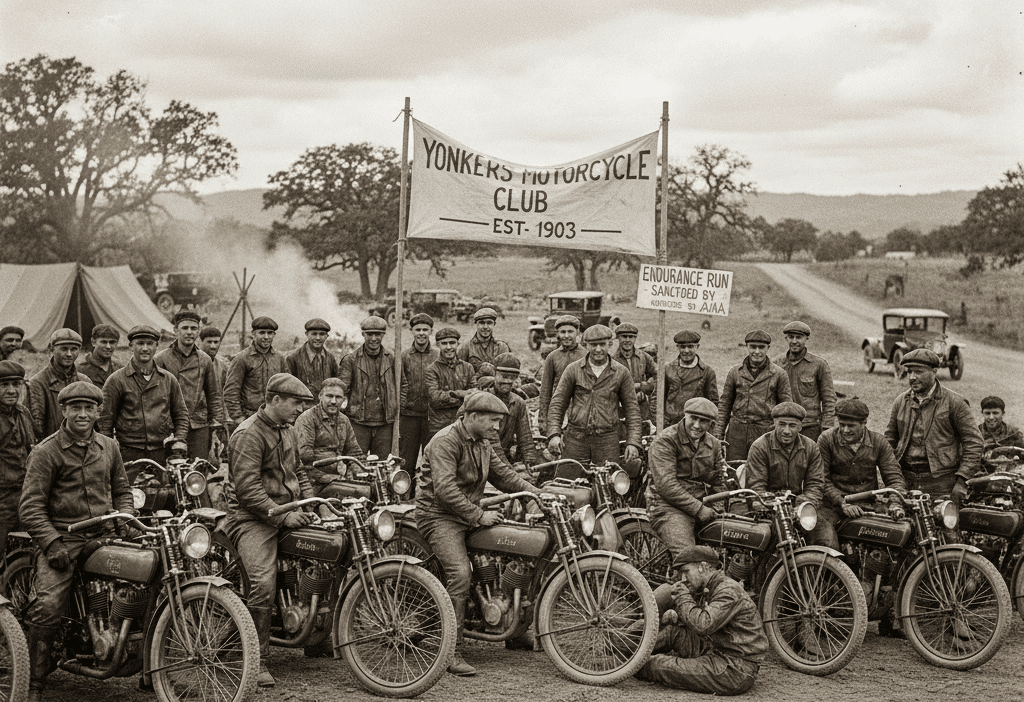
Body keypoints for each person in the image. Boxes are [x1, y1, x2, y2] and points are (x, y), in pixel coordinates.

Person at [19, 381, 133, 701]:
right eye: (75, 407)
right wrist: (51, 543)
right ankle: (34, 681)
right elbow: (30, 507)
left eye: (89, 408)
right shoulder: (46, 451)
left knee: (143, 579)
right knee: (47, 607)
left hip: (103, 533)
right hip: (63, 538)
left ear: (99, 412)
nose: (82, 414)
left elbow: (123, 491)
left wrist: (125, 518)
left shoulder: (109, 446)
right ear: (64, 410)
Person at [414, 391, 539, 676]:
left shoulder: (483, 442)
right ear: (471, 417)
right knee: (460, 574)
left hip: (467, 511)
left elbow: (504, 475)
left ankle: (513, 628)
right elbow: (445, 491)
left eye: (499, 422)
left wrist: (536, 493)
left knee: (513, 551)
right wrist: (479, 515)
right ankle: (451, 651)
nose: (497, 427)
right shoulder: (446, 441)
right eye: (493, 421)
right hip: (439, 516)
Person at [223, 373, 324, 686]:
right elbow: (248, 490)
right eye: (295, 403)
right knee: (262, 583)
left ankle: (316, 635)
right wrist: (282, 518)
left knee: (328, 553)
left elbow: (299, 473)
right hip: (251, 518)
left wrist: (312, 504)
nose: (299, 410)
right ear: (275, 399)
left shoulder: (287, 428)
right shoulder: (248, 434)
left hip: (285, 510)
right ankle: (254, 657)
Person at [638, 545, 767, 695]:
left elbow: (703, 625)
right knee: (671, 633)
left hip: (735, 668)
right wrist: (676, 616)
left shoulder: (728, 590)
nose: (683, 579)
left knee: (656, 665)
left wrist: (682, 597)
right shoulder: (709, 587)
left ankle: (628, 664)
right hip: (715, 648)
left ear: (703, 567)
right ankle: (625, 648)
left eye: (686, 572)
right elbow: (697, 618)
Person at [885, 348, 983, 502]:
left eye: (918, 372)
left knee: (942, 524)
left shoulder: (955, 403)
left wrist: (962, 481)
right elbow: (889, 440)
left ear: (934, 371)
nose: (912, 377)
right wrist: (892, 477)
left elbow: (974, 443)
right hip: (905, 480)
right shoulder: (900, 401)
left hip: (942, 483)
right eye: (909, 371)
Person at [546, 324, 641, 478]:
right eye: (593, 345)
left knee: (609, 488)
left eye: (602, 344)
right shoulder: (573, 370)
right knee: (566, 485)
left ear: (610, 344)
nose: (598, 349)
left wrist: (633, 442)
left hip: (607, 440)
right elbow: (558, 404)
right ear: (586, 345)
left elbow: (632, 410)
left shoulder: (621, 373)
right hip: (575, 439)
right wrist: (554, 434)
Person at [99, 325, 190, 477]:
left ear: (156, 347)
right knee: (130, 497)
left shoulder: (168, 379)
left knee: (164, 495)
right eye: (140, 343)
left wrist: (179, 439)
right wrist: (109, 451)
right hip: (129, 453)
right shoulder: (116, 380)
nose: (145, 348)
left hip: (161, 452)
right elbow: (105, 421)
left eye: (150, 344)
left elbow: (181, 414)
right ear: (131, 347)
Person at [816, 398, 906, 550]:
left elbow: (894, 477)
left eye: (851, 426)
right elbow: (821, 479)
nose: (845, 430)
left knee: (898, 538)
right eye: (841, 424)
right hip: (832, 507)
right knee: (827, 544)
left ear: (864, 423)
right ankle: (829, 570)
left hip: (867, 506)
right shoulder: (826, 439)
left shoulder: (879, 442)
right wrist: (842, 502)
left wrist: (896, 503)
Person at [647, 398, 728, 560]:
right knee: (690, 559)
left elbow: (719, 483)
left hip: (701, 503)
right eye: (693, 418)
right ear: (685, 416)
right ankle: (682, 582)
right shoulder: (666, 440)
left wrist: (718, 509)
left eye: (703, 421)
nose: (697, 425)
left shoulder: (714, 444)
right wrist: (699, 509)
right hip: (667, 506)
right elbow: (666, 486)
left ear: (710, 424)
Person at [745, 402, 826, 543]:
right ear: (774, 423)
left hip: (798, 507)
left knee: (826, 537)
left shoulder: (811, 448)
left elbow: (815, 485)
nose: (787, 431)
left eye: (792, 425)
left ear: (800, 427)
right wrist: (772, 505)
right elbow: (756, 487)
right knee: (768, 541)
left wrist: (800, 506)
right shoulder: (760, 446)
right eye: (782, 424)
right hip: (768, 507)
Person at [154, 310, 226, 461]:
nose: (189, 332)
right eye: (185, 328)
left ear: (198, 331)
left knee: (198, 470)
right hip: (169, 426)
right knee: (169, 471)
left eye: (193, 329)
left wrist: (217, 426)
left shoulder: (204, 360)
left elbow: (214, 395)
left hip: (198, 425)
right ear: (175, 330)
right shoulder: (161, 359)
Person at [715, 330, 792, 461]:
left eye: (761, 347)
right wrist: (718, 436)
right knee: (734, 470)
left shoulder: (779, 374)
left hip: (765, 432)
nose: (757, 351)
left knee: (763, 471)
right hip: (737, 433)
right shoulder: (735, 372)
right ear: (747, 347)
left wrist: (782, 436)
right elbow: (724, 405)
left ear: (768, 348)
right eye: (753, 347)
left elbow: (786, 409)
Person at [295, 377, 366, 497]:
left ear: (344, 399)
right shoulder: (307, 419)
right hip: (313, 481)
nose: (333, 401)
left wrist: (360, 474)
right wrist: (332, 476)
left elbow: (354, 452)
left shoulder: (344, 420)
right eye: (329, 396)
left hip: (338, 479)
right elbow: (304, 459)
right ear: (320, 396)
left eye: (338, 397)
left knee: (370, 489)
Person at [338, 316, 396, 458]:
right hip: (359, 423)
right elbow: (341, 389)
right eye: (370, 334)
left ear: (383, 335)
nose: (374, 338)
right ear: (363, 334)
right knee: (356, 463)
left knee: (382, 465)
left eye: (378, 334)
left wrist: (394, 406)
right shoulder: (350, 360)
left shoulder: (391, 359)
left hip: (384, 424)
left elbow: (402, 386)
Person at [774, 321, 836, 441]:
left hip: (810, 427)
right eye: (791, 337)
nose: (794, 341)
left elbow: (829, 399)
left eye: (799, 337)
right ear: (786, 338)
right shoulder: (776, 364)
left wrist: (827, 428)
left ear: (806, 338)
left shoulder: (819, 365)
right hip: (782, 427)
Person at [478, 353, 541, 469]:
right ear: (494, 374)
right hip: (479, 457)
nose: (507, 381)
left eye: (512, 378)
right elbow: (488, 440)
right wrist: (506, 467)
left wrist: (530, 460)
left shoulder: (518, 403)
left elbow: (525, 435)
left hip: (504, 458)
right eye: (504, 376)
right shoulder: (481, 399)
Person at [224, 316, 288, 429]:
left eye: (270, 333)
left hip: (274, 419)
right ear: (253, 334)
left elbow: (287, 389)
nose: (266, 337)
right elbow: (231, 391)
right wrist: (239, 419)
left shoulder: (280, 359)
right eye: (262, 333)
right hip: (250, 418)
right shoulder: (242, 359)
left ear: (274, 335)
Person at [27, 329, 91, 439]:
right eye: (64, 349)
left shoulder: (84, 381)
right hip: (53, 449)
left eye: (74, 349)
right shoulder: (38, 382)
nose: (69, 354)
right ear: (52, 349)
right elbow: (37, 426)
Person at [0, 360, 34, 560]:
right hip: (2, 499)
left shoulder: (23, 413)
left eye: (16, 385)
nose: (12, 390)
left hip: (24, 496)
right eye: (4, 385)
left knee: (22, 554)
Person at [399, 313, 438, 481]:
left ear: (431, 331)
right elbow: (400, 384)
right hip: (409, 416)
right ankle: (405, 493)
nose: (421, 333)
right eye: (417, 329)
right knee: (406, 459)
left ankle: (429, 496)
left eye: (425, 329)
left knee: (433, 459)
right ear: (411, 331)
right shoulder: (404, 357)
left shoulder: (437, 356)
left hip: (432, 417)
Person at [425, 327, 476, 441]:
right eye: (444, 343)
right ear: (438, 345)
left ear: (458, 344)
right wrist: (461, 394)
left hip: (463, 423)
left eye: (452, 343)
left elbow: (474, 396)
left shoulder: (467, 368)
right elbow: (435, 399)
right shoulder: (432, 370)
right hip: (439, 425)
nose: (448, 347)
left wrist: (448, 397)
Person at [538, 315, 585, 432]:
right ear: (557, 334)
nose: (567, 336)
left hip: (582, 410)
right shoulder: (552, 357)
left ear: (577, 333)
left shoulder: (586, 356)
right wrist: (543, 419)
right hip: (558, 410)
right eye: (563, 332)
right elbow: (545, 390)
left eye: (570, 331)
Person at [664, 330, 719, 427]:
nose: (686, 351)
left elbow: (712, 403)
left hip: (695, 425)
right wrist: (658, 422)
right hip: (669, 424)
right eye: (682, 347)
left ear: (697, 347)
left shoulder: (707, 372)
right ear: (677, 347)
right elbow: (657, 399)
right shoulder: (667, 370)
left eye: (690, 346)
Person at [612, 323, 657, 424]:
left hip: (642, 406)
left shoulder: (644, 357)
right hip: (619, 408)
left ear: (635, 338)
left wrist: (644, 387)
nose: (628, 340)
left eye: (631, 337)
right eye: (624, 337)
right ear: (618, 338)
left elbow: (658, 376)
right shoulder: (611, 360)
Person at [286, 318, 339, 400]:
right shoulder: (293, 359)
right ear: (306, 334)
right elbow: (288, 390)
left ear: (327, 336)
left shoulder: (330, 359)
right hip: (302, 408)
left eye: (321, 334)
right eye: (314, 334)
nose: (318, 338)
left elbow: (336, 385)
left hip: (325, 408)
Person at [457, 307, 510, 379]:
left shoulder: (502, 347)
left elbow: (506, 374)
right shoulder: (466, 347)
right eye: (482, 323)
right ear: (476, 324)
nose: (485, 327)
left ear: (494, 324)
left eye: (489, 323)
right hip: (473, 388)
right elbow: (459, 374)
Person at [199, 325, 231, 392]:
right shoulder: (191, 363)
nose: (213, 346)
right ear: (201, 342)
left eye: (216, 342)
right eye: (209, 342)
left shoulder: (223, 365)